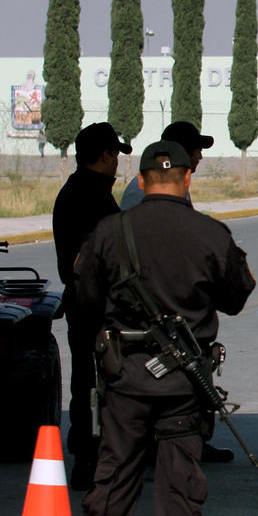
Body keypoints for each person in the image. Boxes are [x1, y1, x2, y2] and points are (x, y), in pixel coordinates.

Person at [77, 140, 256, 515]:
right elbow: (236, 298)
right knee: (180, 484)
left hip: (124, 377)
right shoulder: (211, 234)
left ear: (141, 181)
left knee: (115, 477)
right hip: (184, 382)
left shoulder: (110, 232)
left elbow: (88, 300)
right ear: (187, 178)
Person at [51, 122, 132, 491]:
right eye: (115, 154)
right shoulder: (91, 196)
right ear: (105, 155)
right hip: (95, 305)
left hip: (86, 302)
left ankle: (91, 453)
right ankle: (91, 456)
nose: (117, 162)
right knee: (96, 383)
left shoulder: (78, 191)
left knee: (87, 382)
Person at [119, 120, 213, 211]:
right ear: (184, 154)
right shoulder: (144, 189)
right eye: (199, 151)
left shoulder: (173, 184)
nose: (200, 157)